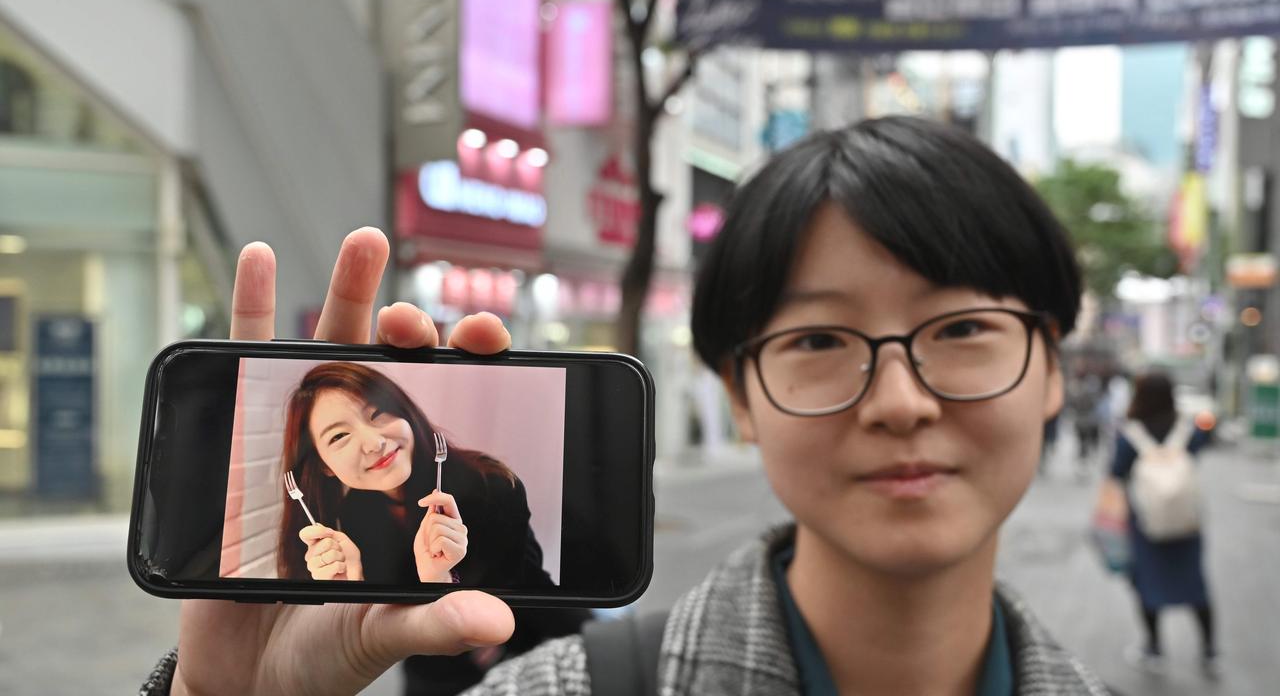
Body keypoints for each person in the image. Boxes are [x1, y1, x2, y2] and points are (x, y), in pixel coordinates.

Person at [143, 116, 1113, 695]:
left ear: (1052, 367)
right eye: (819, 340)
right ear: (737, 393)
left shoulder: (480, 481)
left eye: (960, 331)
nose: (898, 402)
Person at [277, 361, 549, 588]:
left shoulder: (493, 487)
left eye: (379, 413)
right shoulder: (356, 511)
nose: (374, 443)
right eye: (339, 436)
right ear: (323, 465)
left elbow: (509, 610)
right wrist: (351, 589)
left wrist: (443, 578)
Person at [1107, 370, 1217, 676]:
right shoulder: (1185, 429)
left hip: (1145, 524)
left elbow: (1116, 472)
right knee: (1196, 585)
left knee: (1147, 585)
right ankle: (1209, 651)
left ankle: (1154, 648)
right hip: (1186, 523)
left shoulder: (1130, 433)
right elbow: (1199, 449)